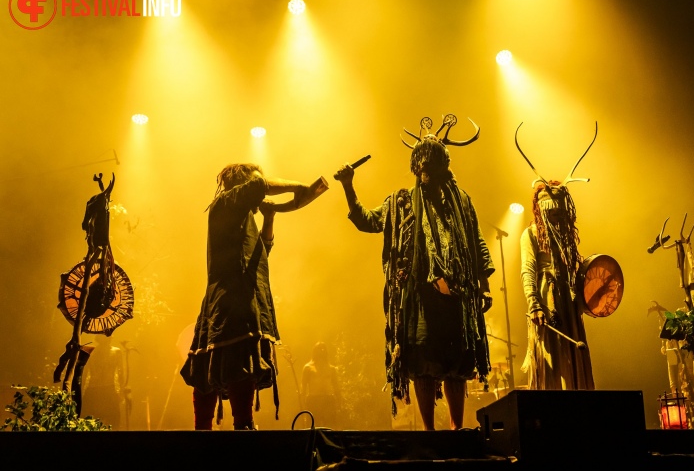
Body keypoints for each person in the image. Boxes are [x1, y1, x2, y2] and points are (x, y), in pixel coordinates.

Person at [334, 114, 494, 431]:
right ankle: (431, 432)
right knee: (423, 360)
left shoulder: (461, 201)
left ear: (442, 165)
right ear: (415, 166)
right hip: (419, 297)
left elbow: (477, 243)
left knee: (458, 363)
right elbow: (367, 220)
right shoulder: (402, 202)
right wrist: (349, 186)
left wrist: (484, 285)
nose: (425, 171)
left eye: (431, 164)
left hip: (458, 294)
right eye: (421, 165)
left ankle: (456, 428)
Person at [180, 163, 311, 430]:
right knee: (226, 361)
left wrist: (270, 217)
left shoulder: (244, 219)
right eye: (255, 187)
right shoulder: (225, 203)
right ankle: (205, 432)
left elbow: (262, 251)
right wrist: (299, 187)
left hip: (244, 296)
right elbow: (259, 186)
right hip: (230, 298)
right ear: (239, 186)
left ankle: (242, 426)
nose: (261, 196)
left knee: (237, 361)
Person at [519, 180, 595, 390]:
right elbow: (528, 269)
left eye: (559, 211)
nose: (556, 215)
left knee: (574, 356)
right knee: (551, 358)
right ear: (542, 210)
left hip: (568, 304)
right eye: (552, 211)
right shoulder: (531, 234)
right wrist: (534, 304)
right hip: (546, 302)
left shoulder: (565, 237)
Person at [301, 341, 342, 429]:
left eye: (323, 349)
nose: (321, 351)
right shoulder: (308, 368)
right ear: (315, 351)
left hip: (328, 400)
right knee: (313, 426)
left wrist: (340, 402)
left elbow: (336, 387)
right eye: (319, 349)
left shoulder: (331, 369)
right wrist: (303, 403)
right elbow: (303, 387)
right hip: (313, 400)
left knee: (329, 427)